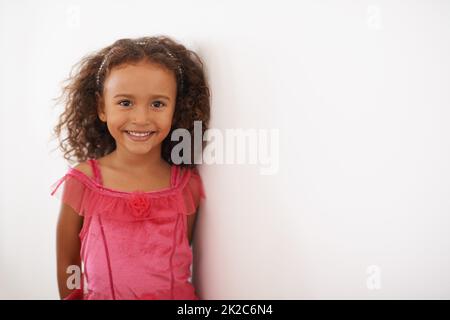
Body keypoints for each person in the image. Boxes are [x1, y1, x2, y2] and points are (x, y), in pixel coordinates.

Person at [50, 35, 210, 300]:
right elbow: (68, 261)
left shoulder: (186, 185)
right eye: (125, 102)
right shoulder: (82, 182)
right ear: (102, 107)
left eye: (157, 104)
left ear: (175, 109)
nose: (141, 118)